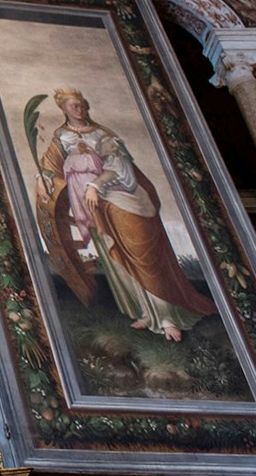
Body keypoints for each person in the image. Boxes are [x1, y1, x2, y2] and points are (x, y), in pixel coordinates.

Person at [34, 88, 215, 342]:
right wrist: (40, 178)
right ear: (64, 109)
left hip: (118, 197)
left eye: (82, 104)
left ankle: (166, 316)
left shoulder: (102, 134)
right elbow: (49, 165)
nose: (80, 108)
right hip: (89, 205)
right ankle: (144, 311)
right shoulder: (61, 137)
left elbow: (119, 165)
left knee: (142, 252)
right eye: (75, 105)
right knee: (114, 256)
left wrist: (96, 185)